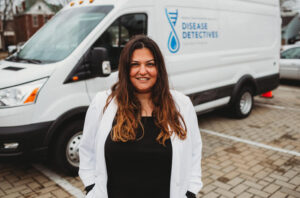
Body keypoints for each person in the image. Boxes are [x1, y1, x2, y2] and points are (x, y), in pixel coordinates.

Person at [79, 35, 202, 198]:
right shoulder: (102, 103)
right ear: (125, 69)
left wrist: (190, 192)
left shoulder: (182, 105)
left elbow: (194, 151)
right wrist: (91, 186)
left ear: (159, 68)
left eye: (150, 64)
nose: (143, 71)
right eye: (135, 64)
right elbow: (87, 149)